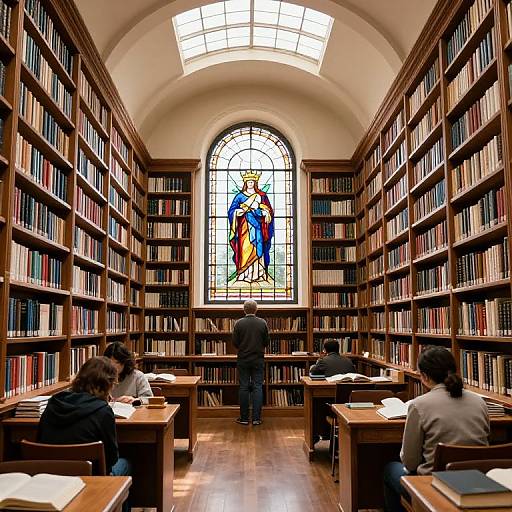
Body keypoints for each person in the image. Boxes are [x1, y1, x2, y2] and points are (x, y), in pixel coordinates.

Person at [383, 346, 490, 512]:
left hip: (434, 483)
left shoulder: (419, 405)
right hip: (475, 481)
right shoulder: (480, 402)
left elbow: (410, 462)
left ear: (424, 376)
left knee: (389, 469)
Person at [38, 357, 130, 477]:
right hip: (89, 477)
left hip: (51, 475)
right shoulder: (103, 411)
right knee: (126, 463)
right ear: (107, 384)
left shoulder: (54, 402)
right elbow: (111, 458)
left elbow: (39, 439)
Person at [228, 170, 274, 284]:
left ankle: (257, 273)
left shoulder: (261, 196)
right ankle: (244, 273)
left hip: (257, 225)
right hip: (244, 227)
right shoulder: (239, 196)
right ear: (245, 183)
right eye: (248, 182)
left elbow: (268, 210)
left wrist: (266, 213)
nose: (250, 184)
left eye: (252, 182)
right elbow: (231, 211)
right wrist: (237, 211)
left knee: (257, 246)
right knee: (245, 248)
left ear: (255, 183)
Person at [233, 299, 269, 425]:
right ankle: (256, 419)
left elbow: (235, 343)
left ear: (244, 309)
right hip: (258, 358)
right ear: (256, 309)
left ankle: (243, 418)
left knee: (243, 387)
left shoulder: (238, 323)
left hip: (243, 358)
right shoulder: (262, 323)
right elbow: (266, 342)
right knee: (257, 386)